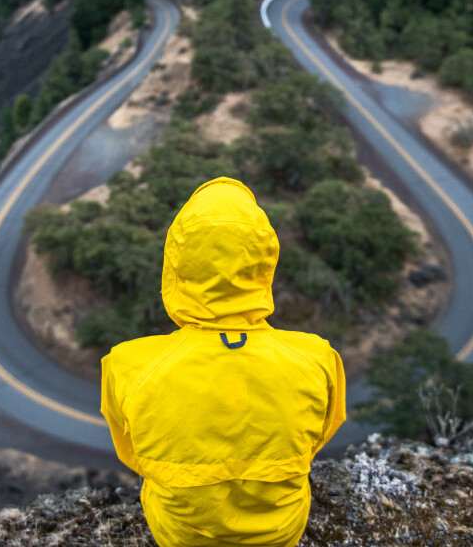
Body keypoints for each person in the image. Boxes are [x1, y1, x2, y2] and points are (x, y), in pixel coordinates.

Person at [101, 177, 346, 547]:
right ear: (265, 262)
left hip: (180, 535)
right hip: (280, 533)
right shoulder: (317, 358)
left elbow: (133, 454)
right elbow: (319, 437)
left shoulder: (127, 365)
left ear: (175, 265)